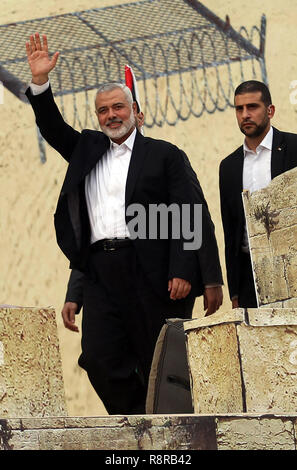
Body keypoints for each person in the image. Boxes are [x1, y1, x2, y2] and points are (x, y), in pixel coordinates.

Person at [25, 33, 223, 414]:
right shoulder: (87, 150)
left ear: (136, 111)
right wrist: (40, 83)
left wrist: (185, 269)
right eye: (103, 111)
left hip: (152, 271)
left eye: (118, 107)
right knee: (98, 358)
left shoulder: (163, 154)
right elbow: (52, 129)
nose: (111, 115)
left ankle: (169, 429)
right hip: (101, 273)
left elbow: (191, 213)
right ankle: (135, 421)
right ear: (98, 117)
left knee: (164, 362)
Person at [219, 80, 297, 308]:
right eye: (239, 108)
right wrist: (234, 292)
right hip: (249, 274)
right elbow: (231, 230)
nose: (245, 114)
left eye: (252, 107)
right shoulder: (229, 166)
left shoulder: (293, 148)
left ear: (270, 110)